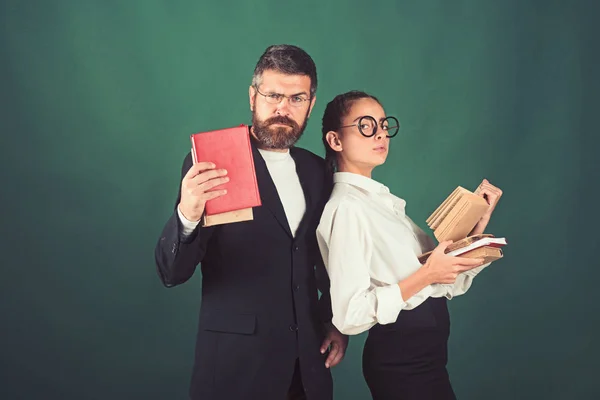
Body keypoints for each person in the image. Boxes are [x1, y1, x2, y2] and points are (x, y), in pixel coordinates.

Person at [154, 45, 348, 400]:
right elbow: (172, 272)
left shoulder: (317, 170)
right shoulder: (212, 162)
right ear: (252, 96)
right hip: (236, 370)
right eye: (273, 95)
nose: (282, 108)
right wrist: (189, 213)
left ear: (311, 103)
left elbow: (325, 260)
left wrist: (334, 320)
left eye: (296, 98)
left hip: (307, 370)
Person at [316, 90, 503, 399]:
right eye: (365, 126)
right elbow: (350, 314)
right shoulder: (348, 208)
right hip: (402, 363)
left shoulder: (380, 202)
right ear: (335, 141)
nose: (380, 134)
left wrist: (477, 225)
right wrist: (428, 274)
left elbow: (443, 281)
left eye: (384, 125)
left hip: (428, 359)